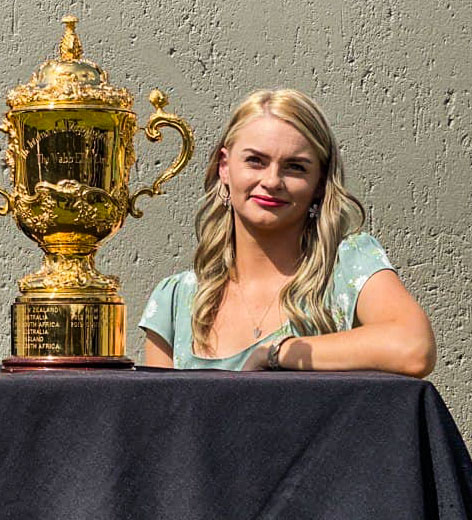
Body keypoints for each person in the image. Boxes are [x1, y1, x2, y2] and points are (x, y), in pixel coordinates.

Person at [139, 89, 435, 376]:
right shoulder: (175, 300)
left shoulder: (348, 266)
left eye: (295, 167)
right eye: (255, 160)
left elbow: (413, 348)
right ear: (225, 167)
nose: (272, 181)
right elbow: (162, 421)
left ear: (319, 182)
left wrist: (278, 354)